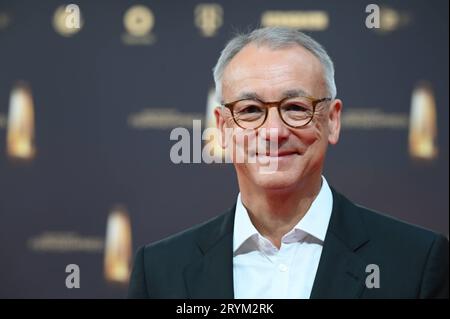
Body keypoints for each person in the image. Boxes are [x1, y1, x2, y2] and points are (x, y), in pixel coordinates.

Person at [127, 27, 449, 299]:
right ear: (223, 128)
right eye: (250, 109)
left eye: (296, 107)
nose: (274, 132)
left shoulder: (416, 261)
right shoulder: (159, 272)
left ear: (332, 121)